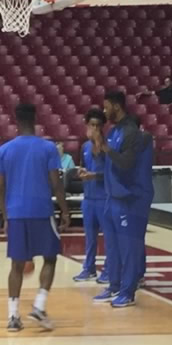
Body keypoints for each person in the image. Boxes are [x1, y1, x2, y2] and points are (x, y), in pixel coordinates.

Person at [0, 102, 66, 332]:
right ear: (35, 120)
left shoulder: (4, 150)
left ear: (16, 120)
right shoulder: (48, 148)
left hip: (16, 213)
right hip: (42, 211)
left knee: (16, 265)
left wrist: (6, 215)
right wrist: (65, 210)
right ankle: (39, 305)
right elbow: (55, 182)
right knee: (50, 258)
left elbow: (0, 188)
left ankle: (13, 317)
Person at [96, 89, 154, 308]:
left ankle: (128, 292)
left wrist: (107, 149)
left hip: (131, 197)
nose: (104, 110)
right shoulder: (113, 131)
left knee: (129, 247)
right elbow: (110, 161)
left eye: (106, 106)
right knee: (112, 246)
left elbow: (126, 164)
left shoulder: (131, 132)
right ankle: (114, 285)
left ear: (116, 106)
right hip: (113, 196)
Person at [73, 106, 109, 284]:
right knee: (90, 237)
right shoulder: (84, 146)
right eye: (91, 124)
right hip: (88, 198)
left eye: (97, 125)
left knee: (108, 237)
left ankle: (109, 270)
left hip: (104, 197)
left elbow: (112, 172)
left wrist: (94, 175)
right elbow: (82, 166)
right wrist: (82, 172)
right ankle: (89, 268)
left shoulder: (107, 146)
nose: (94, 128)